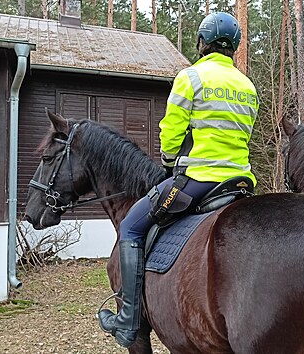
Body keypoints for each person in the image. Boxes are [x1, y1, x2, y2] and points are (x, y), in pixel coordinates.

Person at [97, 11, 259, 348]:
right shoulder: (247, 86)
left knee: (130, 227)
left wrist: (171, 161)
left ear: (202, 42)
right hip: (240, 182)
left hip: (198, 180)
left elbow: (170, 132)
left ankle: (128, 320)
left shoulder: (191, 77)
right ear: (234, 47)